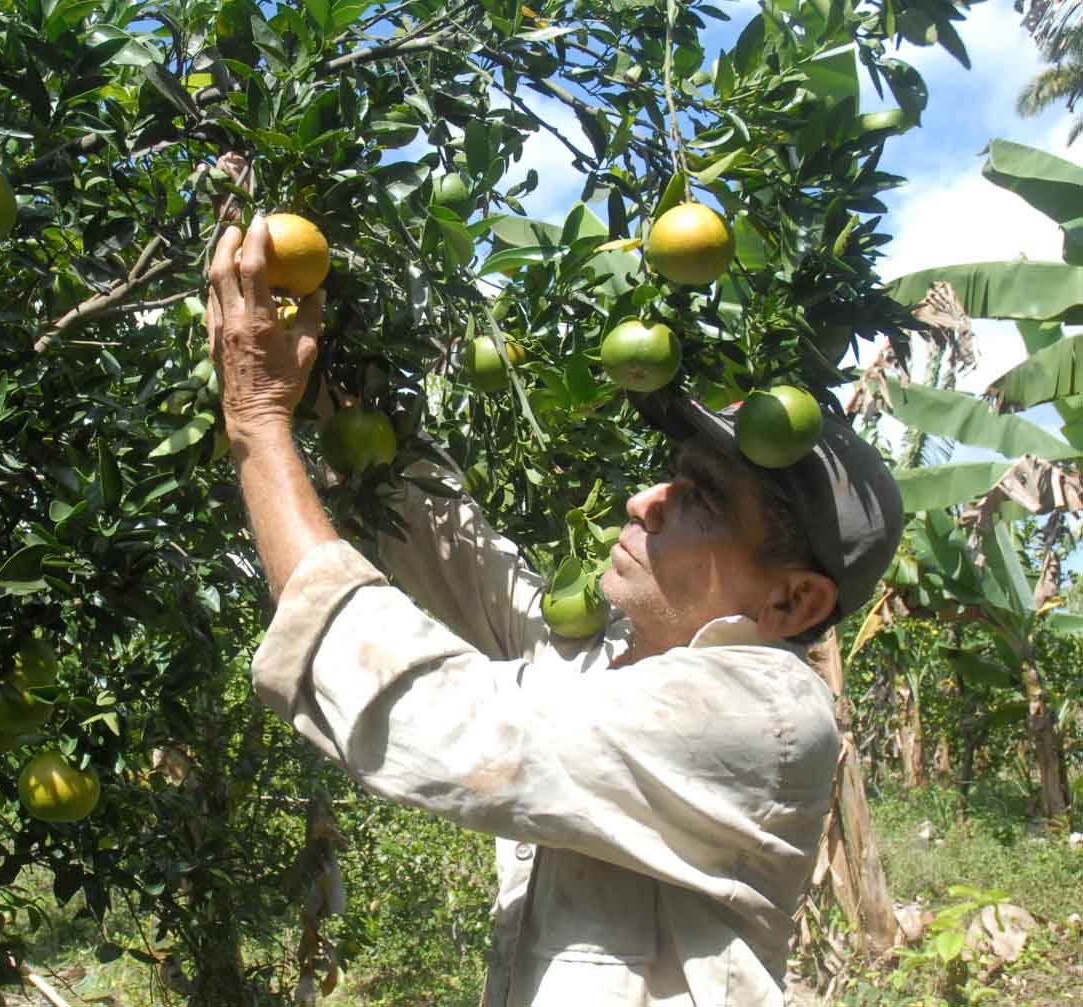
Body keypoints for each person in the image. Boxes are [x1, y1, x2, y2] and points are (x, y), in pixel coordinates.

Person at [206, 216, 904, 1006]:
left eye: (700, 499)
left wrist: (258, 424)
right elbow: (459, 554)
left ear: (790, 598)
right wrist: (347, 384)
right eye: (669, 476)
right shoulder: (604, 658)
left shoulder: (761, 712)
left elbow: (446, 720)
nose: (643, 500)